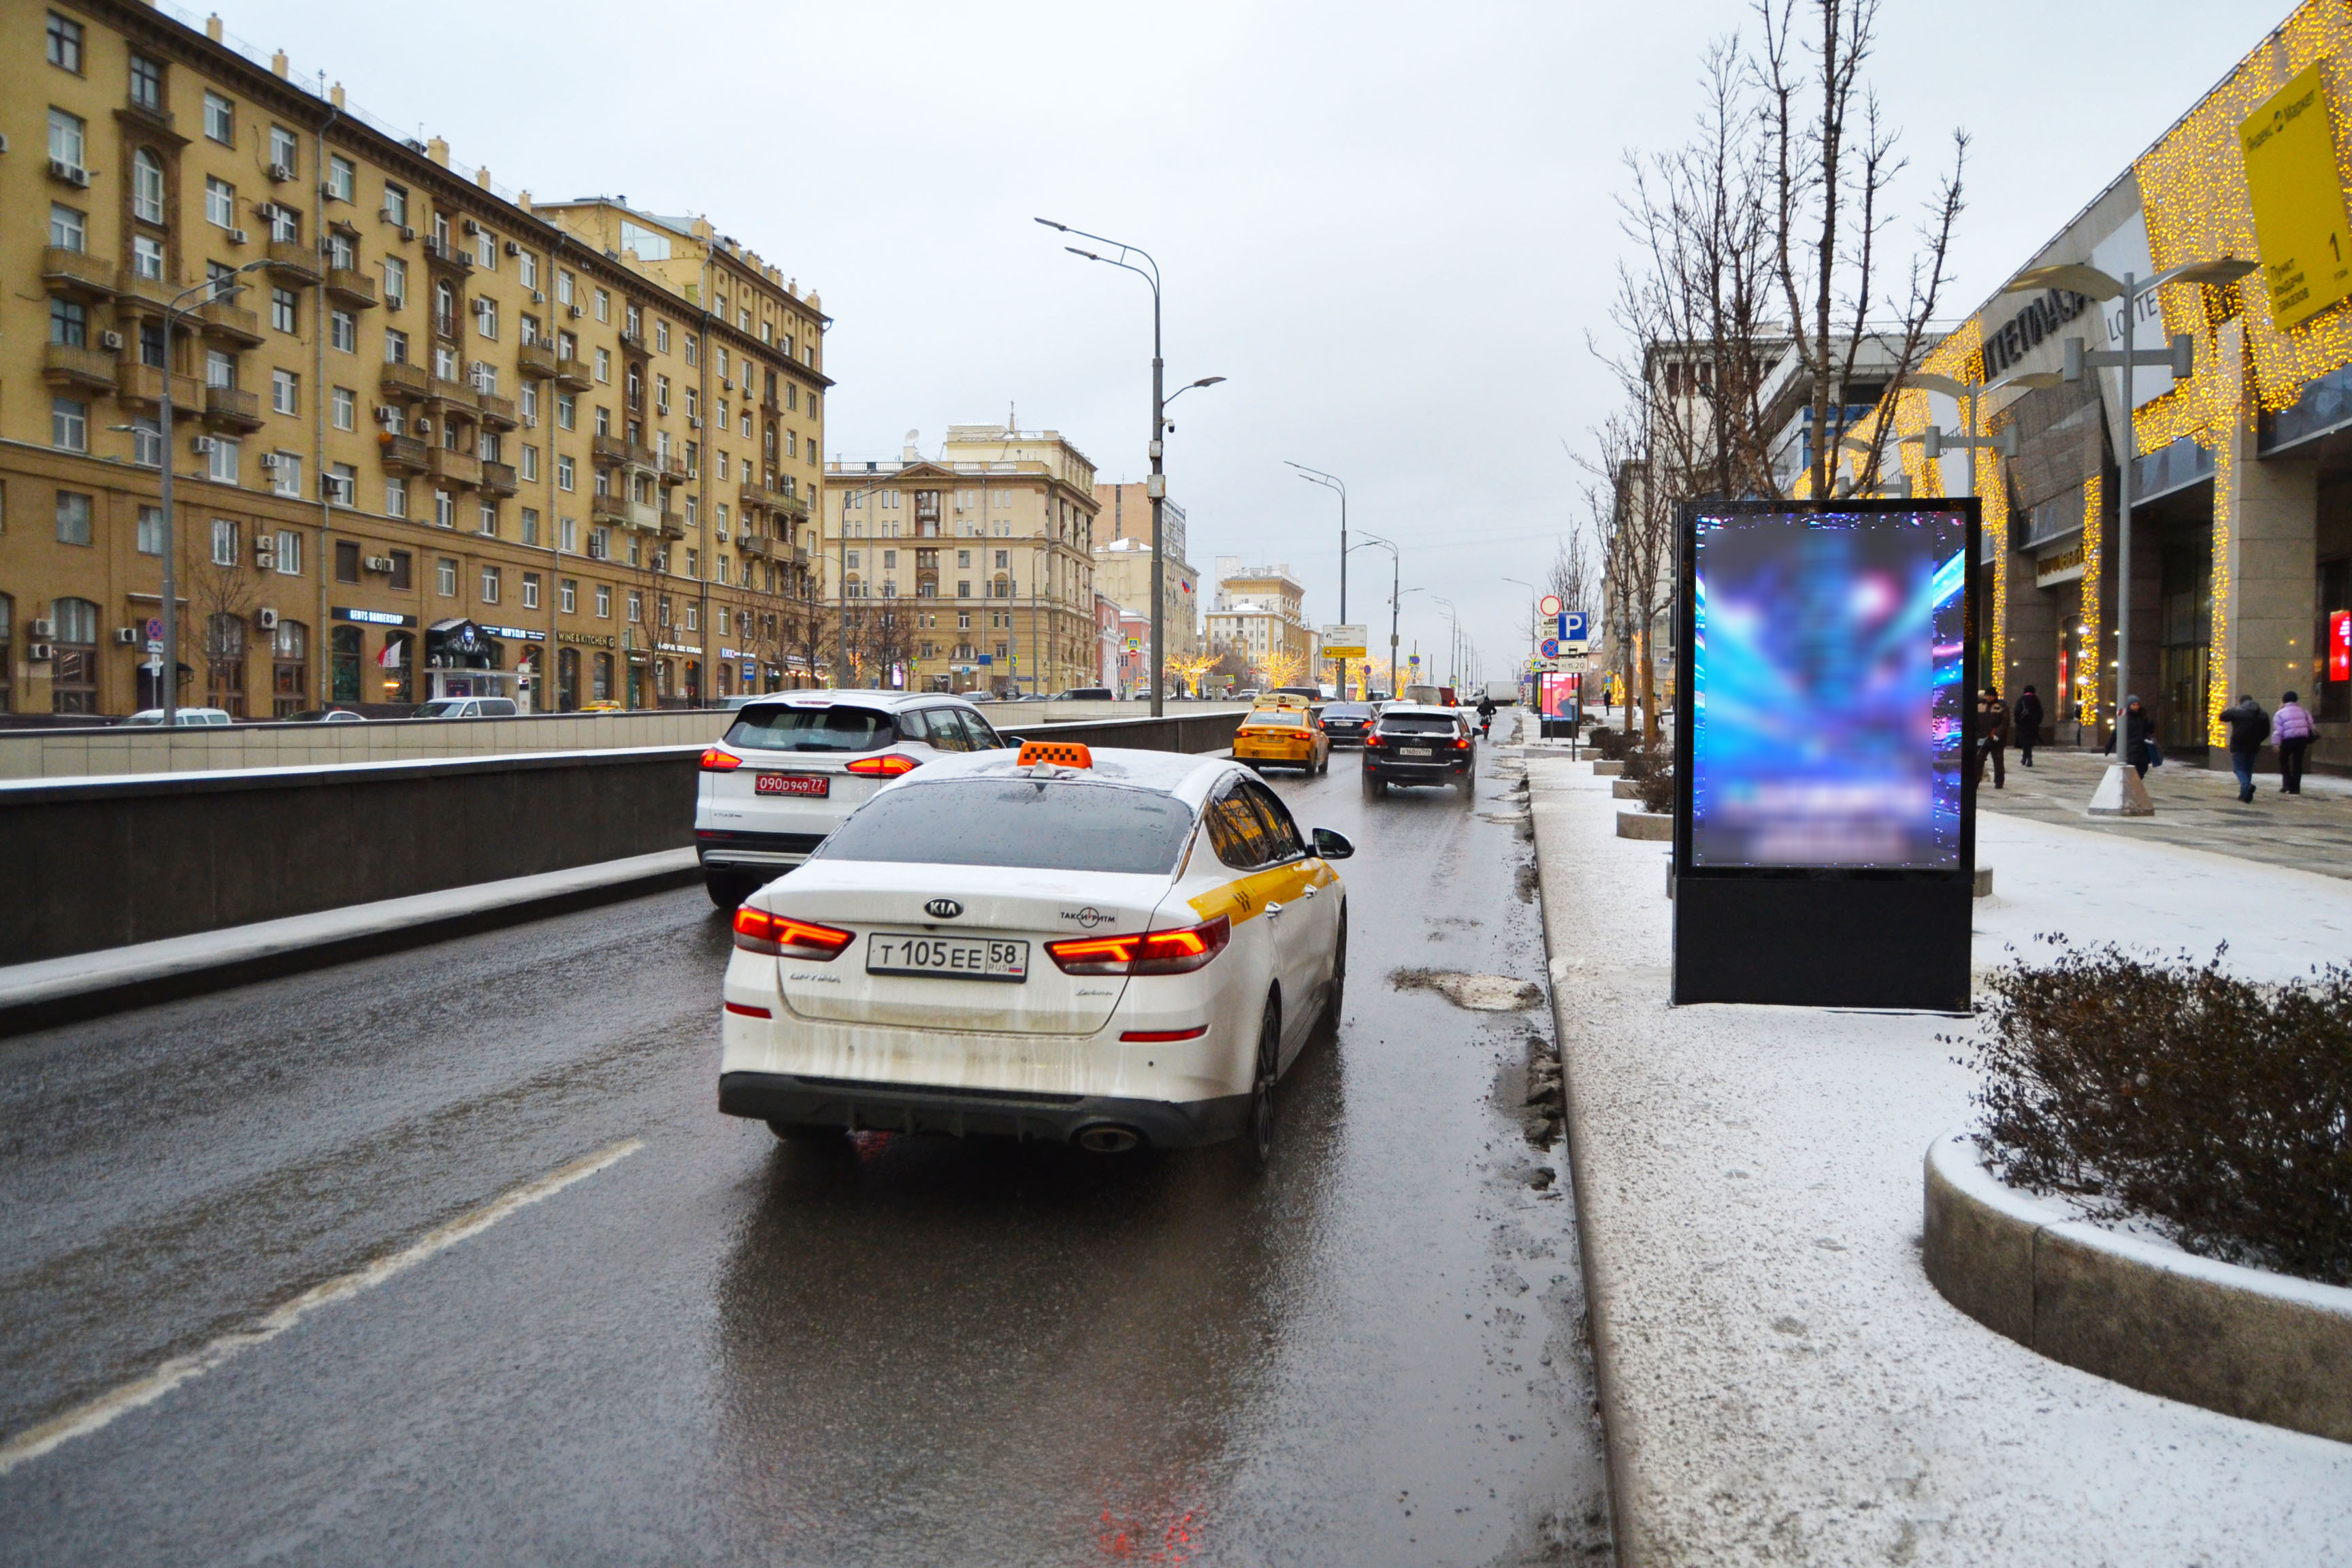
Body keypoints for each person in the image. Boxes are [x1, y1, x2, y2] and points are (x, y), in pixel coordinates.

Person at [2218, 693, 2270, 803]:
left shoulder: (2237, 711)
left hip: (2239, 744)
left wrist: (2228, 710)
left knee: (2239, 768)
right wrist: (2258, 740)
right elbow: (2266, 731)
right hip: (2254, 745)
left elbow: (2222, 717)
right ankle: (2244, 794)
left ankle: (2246, 786)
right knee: (2248, 769)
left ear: (2240, 702)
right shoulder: (2263, 713)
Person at [2108, 695, 2159, 779]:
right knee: (2132, 771)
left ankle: (2136, 788)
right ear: (2129, 706)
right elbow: (2117, 732)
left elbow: (2149, 731)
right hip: (2131, 749)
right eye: (2133, 705)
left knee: (2142, 771)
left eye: (2137, 705)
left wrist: (2151, 725)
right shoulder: (2125, 718)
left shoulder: (2143, 716)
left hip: (2143, 750)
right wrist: (2109, 746)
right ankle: (2133, 789)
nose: (2136, 707)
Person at [2274, 690, 2315, 795]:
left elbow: (2278, 731)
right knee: (2298, 763)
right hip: (2301, 740)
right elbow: (2311, 725)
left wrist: (2276, 744)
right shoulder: (2304, 711)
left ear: (2284, 701)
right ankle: (2296, 788)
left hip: (2287, 740)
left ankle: (2287, 784)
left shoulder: (2280, 713)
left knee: (2283, 761)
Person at [1972, 686, 2010, 791]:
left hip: (1996, 739)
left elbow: (2005, 722)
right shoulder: (1980, 705)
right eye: (1987, 696)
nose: (1988, 698)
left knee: (1998, 761)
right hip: (1982, 738)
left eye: (1990, 696)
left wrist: (1998, 734)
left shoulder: (2001, 706)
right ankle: (1975, 782)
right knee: (1979, 760)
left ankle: (1999, 782)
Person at [2012, 684, 2044, 768]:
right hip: (2033, 725)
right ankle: (2027, 758)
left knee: (2025, 742)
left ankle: (2026, 758)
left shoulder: (2021, 699)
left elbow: (2017, 711)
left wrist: (2017, 721)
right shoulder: (2036, 700)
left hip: (2023, 724)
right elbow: (2041, 713)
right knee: (2029, 743)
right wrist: (2038, 722)